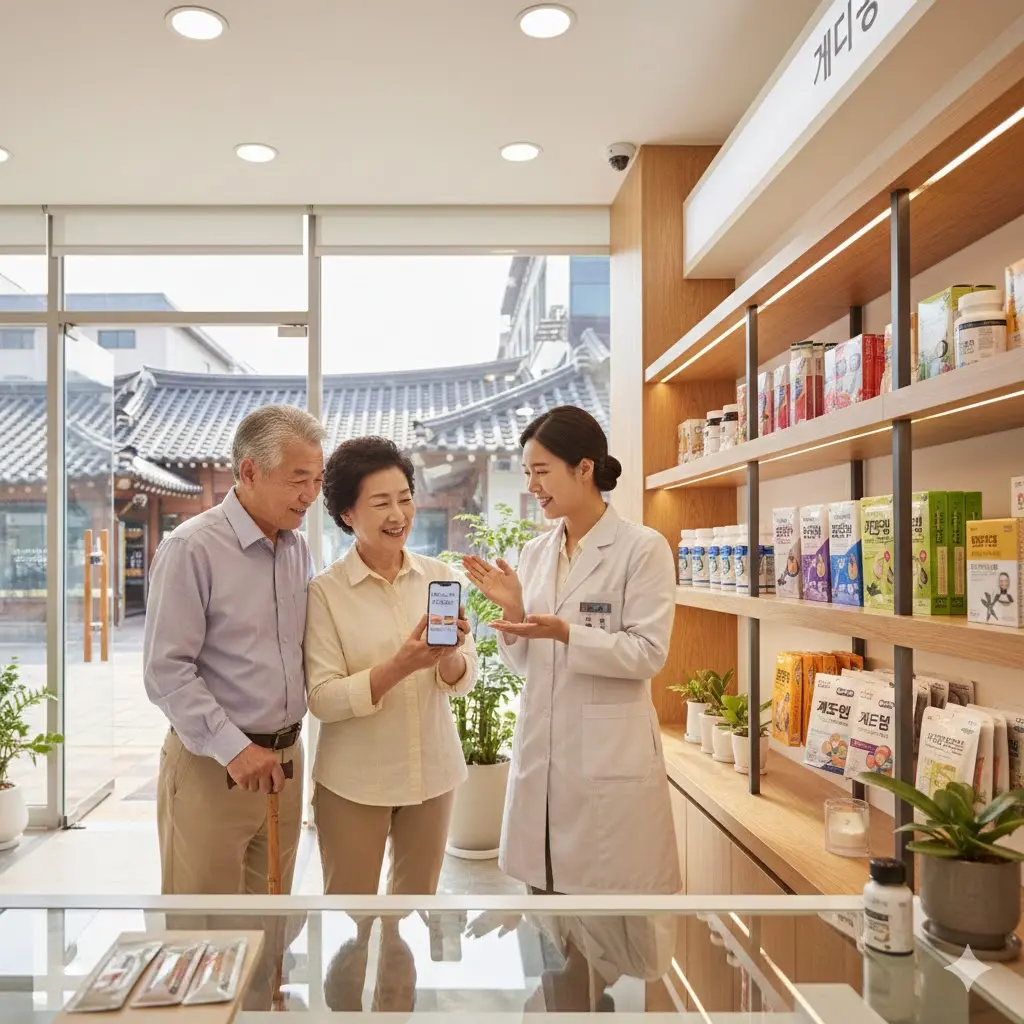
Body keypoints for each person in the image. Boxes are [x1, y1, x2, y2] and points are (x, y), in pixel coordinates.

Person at [462, 405, 680, 896]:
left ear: (584, 469)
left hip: (609, 763)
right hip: (543, 755)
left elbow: (648, 654)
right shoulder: (536, 553)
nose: (532, 485)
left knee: (607, 930)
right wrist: (515, 611)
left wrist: (567, 633)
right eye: (527, 473)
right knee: (549, 921)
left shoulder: (642, 549)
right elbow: (525, 666)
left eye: (542, 472)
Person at [144, 402, 324, 897]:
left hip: (285, 764)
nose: (312, 495)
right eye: (299, 479)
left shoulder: (297, 548)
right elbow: (166, 671)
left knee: (272, 925)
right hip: (213, 766)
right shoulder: (192, 548)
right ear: (248, 471)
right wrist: (235, 748)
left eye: (318, 479)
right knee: (205, 934)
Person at [304, 435, 477, 902]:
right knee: (350, 920)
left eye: (404, 499)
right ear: (347, 514)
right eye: (381, 503)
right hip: (355, 783)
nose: (398, 515)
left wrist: (451, 655)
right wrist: (400, 665)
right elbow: (322, 698)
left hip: (433, 775)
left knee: (413, 913)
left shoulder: (440, 576)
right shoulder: (325, 592)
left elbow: (462, 680)